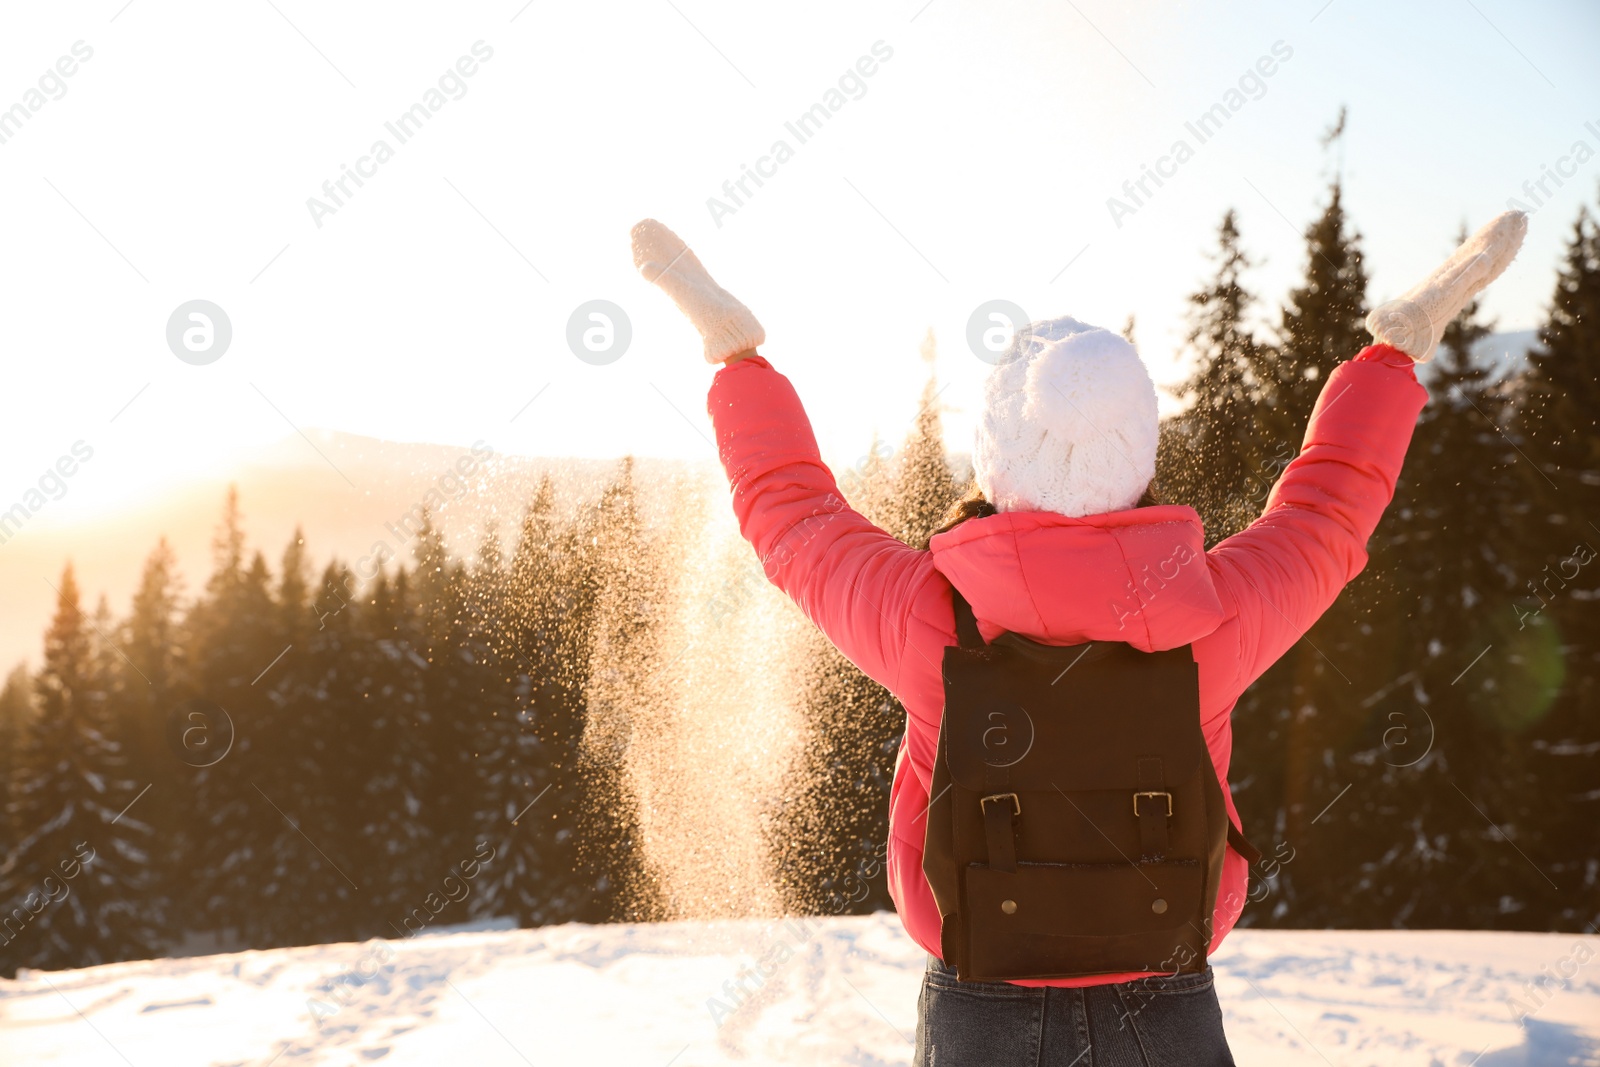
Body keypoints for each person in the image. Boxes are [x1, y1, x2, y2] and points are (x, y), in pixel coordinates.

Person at [630, 212, 1528, 1065]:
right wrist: (1390, 353)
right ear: (1136, 458)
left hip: (980, 997)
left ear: (996, 458)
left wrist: (739, 362)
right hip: (1164, 997)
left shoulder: (928, 621)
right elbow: (1329, 510)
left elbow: (791, 515)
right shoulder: (1211, 618)